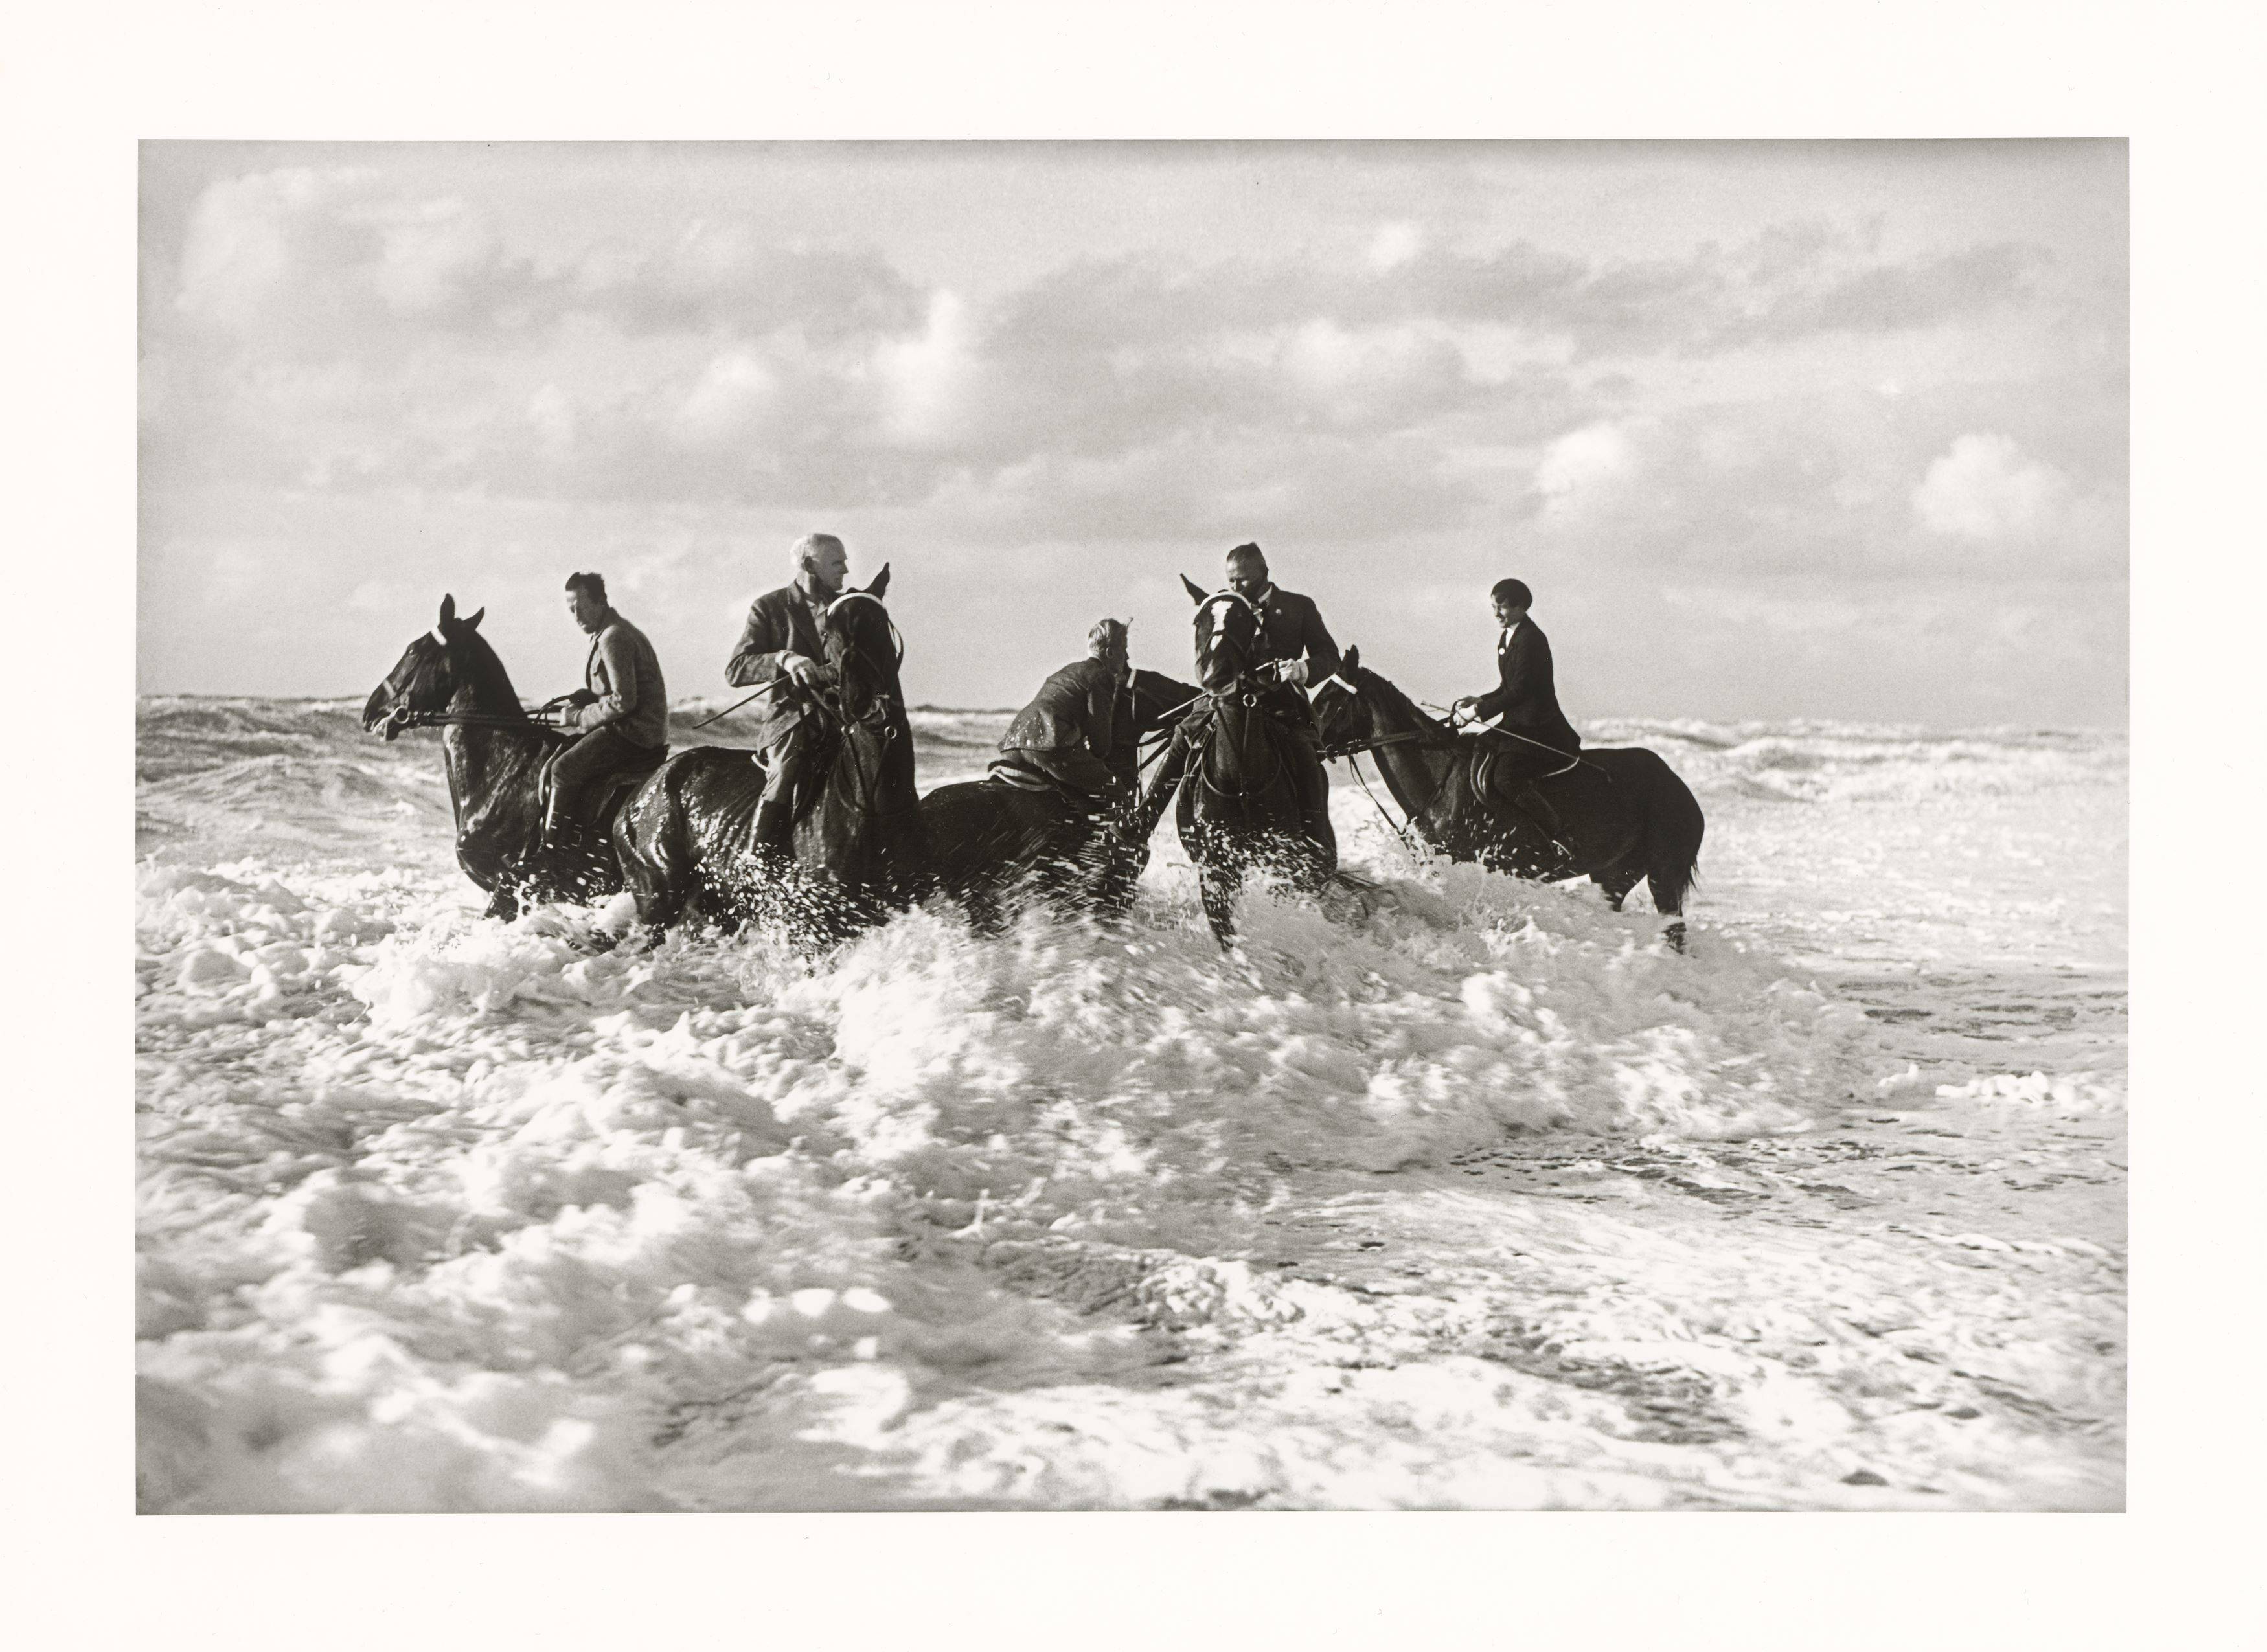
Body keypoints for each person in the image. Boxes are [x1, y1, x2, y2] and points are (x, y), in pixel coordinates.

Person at [1134, 541, 1340, 865]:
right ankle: (1143, 822)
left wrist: (1301, 669)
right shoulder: (1224, 606)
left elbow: (1330, 656)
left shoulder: (1299, 607)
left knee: (1304, 750)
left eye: (1242, 580)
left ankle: (1316, 840)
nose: (1235, 586)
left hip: (1278, 702)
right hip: (1227, 697)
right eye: (1230, 580)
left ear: (1264, 573)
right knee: (1183, 736)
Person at [723, 532, 850, 854]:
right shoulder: (770, 607)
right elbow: (736, 669)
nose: (845, 571)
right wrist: (784, 658)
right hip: (794, 717)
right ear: (809, 565)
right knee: (788, 765)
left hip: (844, 713)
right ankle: (761, 859)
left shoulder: (847, 608)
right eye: (837, 563)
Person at [1450, 577, 1582, 840]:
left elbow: (1521, 691)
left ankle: (1554, 835)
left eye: (1503, 607)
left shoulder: (1532, 639)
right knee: (1476, 749)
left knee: (1505, 779)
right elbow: (1507, 686)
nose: (1497, 614)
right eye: (1493, 608)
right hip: (1517, 722)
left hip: (1539, 726)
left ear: (1521, 607)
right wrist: (1479, 700)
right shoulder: (1508, 636)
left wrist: (1475, 713)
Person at [547, 571, 669, 841]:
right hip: (639, 729)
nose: (576, 616)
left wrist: (577, 717)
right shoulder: (611, 631)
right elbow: (614, 690)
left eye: (581, 607)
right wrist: (589, 696)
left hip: (633, 733)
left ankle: (555, 851)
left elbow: (623, 701)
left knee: (562, 770)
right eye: (571, 610)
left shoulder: (614, 636)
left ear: (601, 601)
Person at [992, 619, 1135, 808]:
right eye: (1124, 648)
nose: (1127, 656)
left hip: (1012, 743)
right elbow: (1101, 745)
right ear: (1110, 652)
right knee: (1117, 792)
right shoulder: (1102, 676)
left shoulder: (1067, 671)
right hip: (1049, 745)